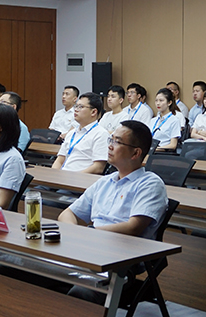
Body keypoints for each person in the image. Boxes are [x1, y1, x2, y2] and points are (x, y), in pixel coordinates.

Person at [58, 120, 168, 304]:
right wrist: (77, 235)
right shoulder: (105, 181)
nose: (109, 146)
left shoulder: (150, 184)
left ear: (136, 153)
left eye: (117, 142)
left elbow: (133, 227)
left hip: (120, 261)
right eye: (111, 139)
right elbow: (67, 214)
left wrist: (90, 234)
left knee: (80, 294)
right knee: (28, 271)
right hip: (89, 249)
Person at [52, 92, 109, 174]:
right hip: (62, 177)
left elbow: (98, 167)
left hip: (80, 179)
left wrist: (75, 177)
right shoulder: (71, 133)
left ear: (93, 112)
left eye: (81, 107)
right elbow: (60, 160)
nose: (76, 109)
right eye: (76, 106)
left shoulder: (101, 134)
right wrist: (54, 175)